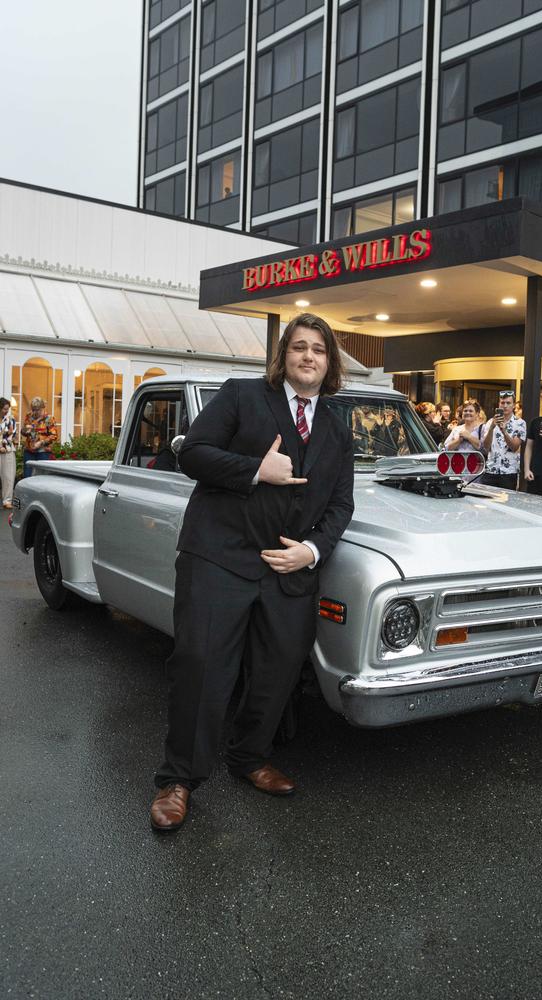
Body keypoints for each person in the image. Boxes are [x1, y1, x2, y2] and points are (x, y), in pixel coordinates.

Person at [150, 313, 355, 832]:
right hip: (220, 555)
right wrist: (255, 471)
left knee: (279, 669)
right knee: (201, 667)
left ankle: (249, 756)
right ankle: (179, 779)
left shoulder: (336, 423)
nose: (309, 357)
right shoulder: (242, 395)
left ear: (328, 364)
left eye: (319, 350)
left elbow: (340, 504)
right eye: (299, 348)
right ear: (283, 356)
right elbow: (193, 452)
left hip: (289, 570)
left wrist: (311, 551)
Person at [480, 391, 526, 490]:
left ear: (513, 405)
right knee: (487, 503)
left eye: (508, 403)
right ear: (499, 404)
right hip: (491, 470)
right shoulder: (490, 422)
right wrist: (492, 428)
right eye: (502, 403)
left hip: (509, 472)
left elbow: (514, 447)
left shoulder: (520, 423)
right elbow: (486, 448)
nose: (505, 406)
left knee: (507, 502)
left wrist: (504, 431)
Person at [20, 397, 57, 477]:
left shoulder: (49, 419)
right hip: (29, 451)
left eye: (37, 410)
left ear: (43, 407)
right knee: (27, 476)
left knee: (41, 477)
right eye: (33, 409)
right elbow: (23, 432)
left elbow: (54, 435)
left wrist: (41, 442)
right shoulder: (29, 416)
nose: (35, 412)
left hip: (43, 452)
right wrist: (25, 430)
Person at [0, 398, 17, 508]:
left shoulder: (11, 420)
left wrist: (3, 444)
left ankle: (7, 501)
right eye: (5, 409)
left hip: (7, 451)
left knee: (9, 476)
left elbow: (12, 435)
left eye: (8, 409)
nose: (6, 411)